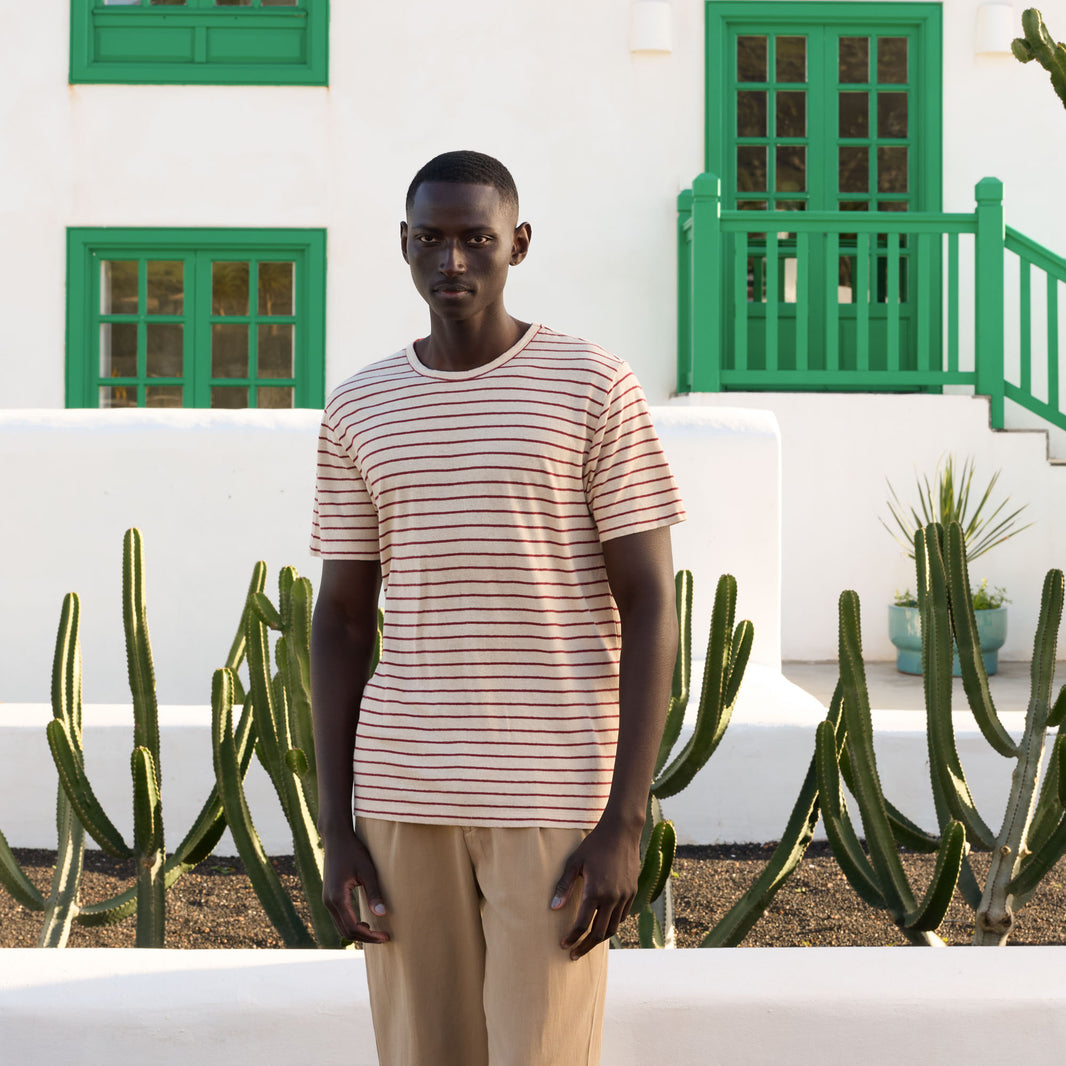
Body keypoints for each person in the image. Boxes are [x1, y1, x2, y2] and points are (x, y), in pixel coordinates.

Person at [309, 150, 685, 1066]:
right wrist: (337, 828)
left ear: (517, 244)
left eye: (477, 238)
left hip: (553, 798)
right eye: (431, 238)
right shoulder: (359, 407)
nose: (453, 261)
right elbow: (343, 621)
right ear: (403, 245)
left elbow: (649, 602)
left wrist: (624, 822)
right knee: (419, 1054)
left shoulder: (594, 386)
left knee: (542, 1054)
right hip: (404, 796)